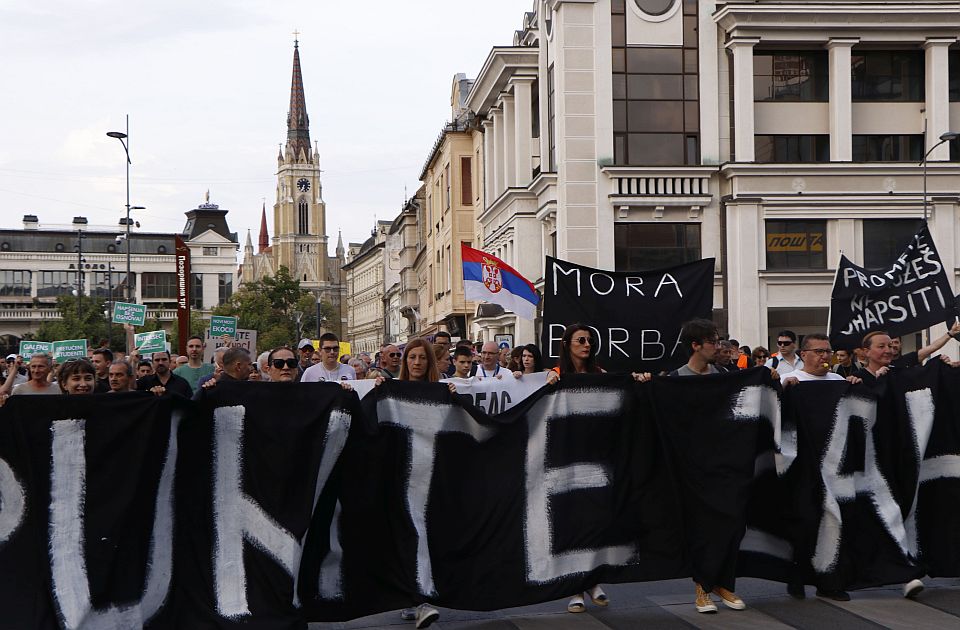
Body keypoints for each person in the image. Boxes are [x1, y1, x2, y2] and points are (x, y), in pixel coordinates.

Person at [668, 318, 745, 613]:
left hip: (726, 463)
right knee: (701, 528)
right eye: (712, 341)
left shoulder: (725, 375)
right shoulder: (675, 379)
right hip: (693, 467)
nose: (718, 346)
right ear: (695, 345)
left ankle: (724, 582)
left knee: (730, 523)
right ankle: (702, 587)